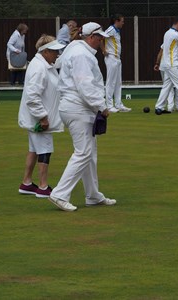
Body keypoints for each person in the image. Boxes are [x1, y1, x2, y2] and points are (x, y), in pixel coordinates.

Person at [48, 22, 117, 212]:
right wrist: (102, 107)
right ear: (90, 37)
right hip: (78, 108)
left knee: (89, 153)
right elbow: (84, 85)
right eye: (99, 37)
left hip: (77, 108)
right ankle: (59, 194)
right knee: (84, 152)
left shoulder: (75, 49)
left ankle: (93, 195)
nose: (101, 40)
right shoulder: (81, 55)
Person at [18, 35, 66, 198]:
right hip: (39, 120)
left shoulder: (43, 64)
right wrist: (43, 117)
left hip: (36, 118)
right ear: (45, 52)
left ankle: (26, 183)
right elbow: (32, 97)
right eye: (54, 51)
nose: (57, 54)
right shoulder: (39, 68)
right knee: (44, 150)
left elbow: (61, 61)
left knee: (34, 150)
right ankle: (43, 187)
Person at [102, 14, 131, 113]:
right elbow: (101, 37)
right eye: (122, 21)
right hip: (111, 58)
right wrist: (103, 50)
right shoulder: (111, 29)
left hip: (117, 58)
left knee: (118, 82)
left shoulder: (117, 31)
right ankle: (109, 106)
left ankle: (118, 104)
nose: (123, 23)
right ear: (116, 21)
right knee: (111, 82)